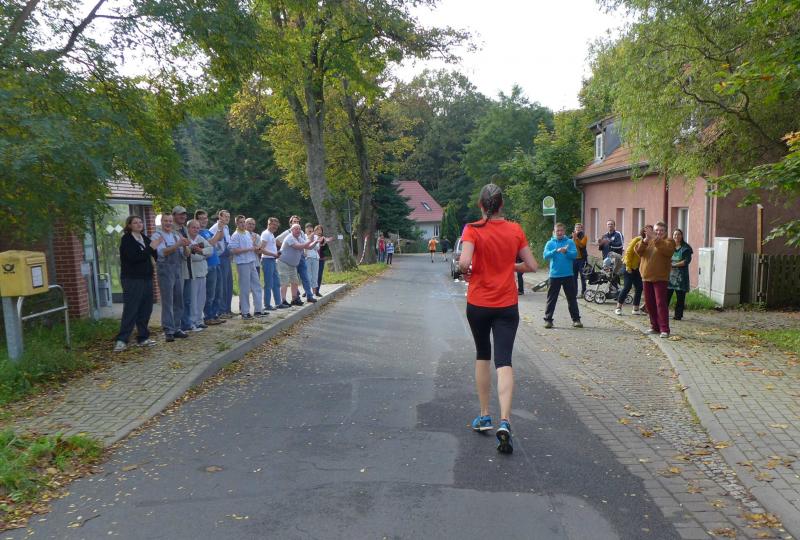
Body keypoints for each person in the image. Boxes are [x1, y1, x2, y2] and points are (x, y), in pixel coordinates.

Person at [458, 183, 538, 455]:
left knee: (483, 354)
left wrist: (467, 269)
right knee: (504, 361)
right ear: (502, 205)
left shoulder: (472, 229)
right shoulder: (515, 230)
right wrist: (509, 266)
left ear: (481, 205)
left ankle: (484, 415)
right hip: (506, 305)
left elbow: (464, 263)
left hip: (478, 303)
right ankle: (505, 420)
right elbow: (532, 265)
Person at [113, 216, 158, 352]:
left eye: (140, 222)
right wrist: (150, 249)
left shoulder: (145, 238)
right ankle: (122, 340)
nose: (139, 224)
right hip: (132, 279)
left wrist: (154, 250)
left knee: (146, 308)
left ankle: (143, 337)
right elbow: (134, 258)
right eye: (135, 222)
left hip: (147, 278)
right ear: (129, 225)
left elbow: (153, 255)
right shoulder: (127, 240)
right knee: (131, 309)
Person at [152, 213, 191, 342]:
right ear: (161, 222)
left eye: (170, 221)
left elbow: (186, 255)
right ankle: (168, 330)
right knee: (168, 301)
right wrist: (178, 244)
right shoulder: (157, 236)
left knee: (179, 300)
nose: (168, 223)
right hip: (165, 270)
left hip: (177, 269)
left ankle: (177, 328)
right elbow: (161, 253)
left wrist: (185, 245)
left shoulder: (176, 235)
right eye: (165, 221)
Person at [634, 221, 675, 338]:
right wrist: (645, 241)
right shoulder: (649, 241)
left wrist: (654, 238)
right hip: (646, 277)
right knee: (649, 304)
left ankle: (664, 329)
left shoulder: (669, 241)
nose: (658, 232)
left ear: (665, 232)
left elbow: (667, 251)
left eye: (661, 230)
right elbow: (638, 252)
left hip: (660, 277)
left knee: (660, 303)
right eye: (656, 230)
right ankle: (654, 326)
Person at [542, 223, 582, 329]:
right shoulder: (550, 243)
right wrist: (555, 251)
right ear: (554, 232)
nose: (559, 232)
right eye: (557, 231)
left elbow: (575, 255)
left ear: (564, 231)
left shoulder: (570, 242)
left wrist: (566, 251)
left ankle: (576, 320)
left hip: (568, 275)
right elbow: (545, 256)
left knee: (571, 299)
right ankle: (548, 320)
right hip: (554, 276)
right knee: (551, 299)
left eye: (561, 230)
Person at [230, 215, 265, 319]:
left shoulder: (246, 233)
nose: (242, 224)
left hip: (252, 261)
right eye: (240, 222)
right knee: (245, 288)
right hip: (242, 263)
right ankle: (245, 312)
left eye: (243, 222)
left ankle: (258, 310)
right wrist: (249, 249)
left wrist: (256, 247)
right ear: (237, 223)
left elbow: (251, 247)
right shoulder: (235, 235)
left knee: (257, 286)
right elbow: (233, 250)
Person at [276, 215, 316, 304]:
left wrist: (315, 241)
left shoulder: (299, 236)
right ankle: (283, 301)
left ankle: (295, 299)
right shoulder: (289, 236)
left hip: (294, 263)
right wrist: (310, 240)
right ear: (291, 228)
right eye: (296, 228)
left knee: (295, 281)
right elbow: (299, 246)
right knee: (285, 282)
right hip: (284, 262)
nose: (298, 230)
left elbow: (308, 246)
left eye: (299, 228)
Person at [195, 210, 226, 326]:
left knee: (218, 291)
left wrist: (221, 227)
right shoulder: (199, 234)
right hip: (209, 265)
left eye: (206, 218)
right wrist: (219, 229)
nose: (204, 220)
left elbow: (220, 238)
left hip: (216, 263)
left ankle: (214, 314)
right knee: (210, 293)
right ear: (197, 220)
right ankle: (208, 316)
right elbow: (212, 243)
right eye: (201, 218)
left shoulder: (207, 231)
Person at [186, 219, 214, 331]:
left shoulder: (200, 238)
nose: (196, 230)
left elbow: (210, 249)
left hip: (202, 272)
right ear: (188, 228)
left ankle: (199, 320)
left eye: (197, 228)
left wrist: (201, 251)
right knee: (193, 299)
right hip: (192, 273)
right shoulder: (186, 239)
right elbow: (190, 256)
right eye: (193, 227)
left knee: (202, 298)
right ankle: (192, 322)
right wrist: (202, 256)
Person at [615, 226, 649, 316]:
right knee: (627, 286)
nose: (649, 233)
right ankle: (618, 307)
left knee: (639, 287)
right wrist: (628, 267)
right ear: (644, 232)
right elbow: (628, 252)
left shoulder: (650, 242)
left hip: (638, 268)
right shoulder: (637, 239)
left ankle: (635, 309)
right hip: (629, 266)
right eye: (647, 231)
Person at [172, 205, 195, 333]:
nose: (183, 216)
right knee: (178, 299)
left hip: (187, 266)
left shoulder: (185, 229)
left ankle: (186, 323)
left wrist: (188, 249)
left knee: (187, 299)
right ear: (174, 215)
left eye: (184, 214)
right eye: (180, 214)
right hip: (177, 267)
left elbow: (188, 248)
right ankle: (177, 326)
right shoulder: (172, 229)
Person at [210, 210, 234, 318]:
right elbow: (212, 242)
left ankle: (228, 309)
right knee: (222, 285)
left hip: (227, 257)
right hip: (220, 257)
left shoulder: (226, 227)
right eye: (225, 216)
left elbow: (228, 242)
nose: (227, 218)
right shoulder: (215, 228)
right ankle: (221, 310)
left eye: (228, 216)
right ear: (220, 217)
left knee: (229, 284)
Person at [668, 228, 693, 321]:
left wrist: (674, 265)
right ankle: (662, 313)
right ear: (672, 236)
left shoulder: (686, 248)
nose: (676, 236)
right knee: (666, 296)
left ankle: (678, 315)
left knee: (680, 297)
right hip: (669, 276)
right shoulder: (669, 246)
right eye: (675, 234)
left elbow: (686, 261)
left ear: (682, 236)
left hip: (681, 277)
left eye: (678, 234)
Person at [261, 217, 283, 310]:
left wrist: (276, 253)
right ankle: (267, 305)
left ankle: (278, 303)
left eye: (276, 225)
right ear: (269, 224)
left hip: (272, 260)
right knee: (268, 283)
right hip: (267, 260)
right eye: (273, 225)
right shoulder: (266, 234)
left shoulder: (271, 234)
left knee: (276, 282)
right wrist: (274, 254)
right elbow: (261, 249)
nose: (275, 227)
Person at [314, 225, 332, 296]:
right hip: (313, 259)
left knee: (319, 275)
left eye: (320, 230)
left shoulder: (323, 238)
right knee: (311, 275)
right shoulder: (312, 238)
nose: (319, 231)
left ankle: (317, 291)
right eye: (317, 230)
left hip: (321, 259)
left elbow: (325, 249)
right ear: (315, 231)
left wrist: (324, 242)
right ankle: (307, 291)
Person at [572, 223, 588, 296]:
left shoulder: (584, 236)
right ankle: (574, 293)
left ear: (581, 229)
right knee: (574, 277)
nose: (578, 229)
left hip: (582, 259)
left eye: (579, 227)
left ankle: (583, 293)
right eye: (576, 227)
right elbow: (568, 245)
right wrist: (573, 238)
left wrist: (576, 238)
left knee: (583, 276)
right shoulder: (571, 236)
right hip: (574, 259)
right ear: (574, 229)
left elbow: (582, 245)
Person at [304, 223, 320, 293]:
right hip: (307, 258)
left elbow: (317, 248)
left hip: (315, 258)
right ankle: (308, 292)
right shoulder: (303, 236)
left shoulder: (316, 237)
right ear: (305, 230)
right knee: (308, 276)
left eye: (311, 229)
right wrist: (309, 240)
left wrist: (313, 240)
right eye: (308, 229)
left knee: (315, 276)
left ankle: (314, 293)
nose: (310, 230)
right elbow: (304, 246)